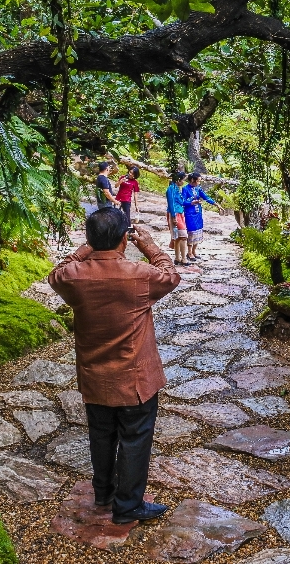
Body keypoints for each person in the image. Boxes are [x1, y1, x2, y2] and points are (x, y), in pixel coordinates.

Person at [47, 208, 180, 524]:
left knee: (101, 434)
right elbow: (171, 275)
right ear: (126, 238)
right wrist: (149, 246)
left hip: (95, 377)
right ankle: (128, 505)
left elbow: (58, 271)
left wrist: (86, 247)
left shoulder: (73, 277)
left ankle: (104, 492)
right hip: (135, 378)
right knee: (135, 437)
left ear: (91, 240)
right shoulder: (139, 274)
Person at [181, 172, 223, 262]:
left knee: (198, 231)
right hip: (190, 214)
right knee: (191, 232)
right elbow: (183, 202)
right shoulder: (185, 189)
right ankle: (189, 252)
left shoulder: (198, 188)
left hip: (198, 213)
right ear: (192, 180)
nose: (199, 182)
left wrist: (216, 204)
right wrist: (192, 203)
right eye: (198, 181)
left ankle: (194, 251)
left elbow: (206, 197)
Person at [166, 172, 189, 265]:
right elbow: (171, 204)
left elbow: (181, 201)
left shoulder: (177, 189)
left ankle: (177, 258)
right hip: (174, 214)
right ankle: (184, 258)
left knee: (178, 237)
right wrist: (173, 216)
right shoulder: (170, 189)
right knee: (183, 236)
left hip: (179, 213)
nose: (183, 182)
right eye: (183, 180)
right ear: (179, 180)